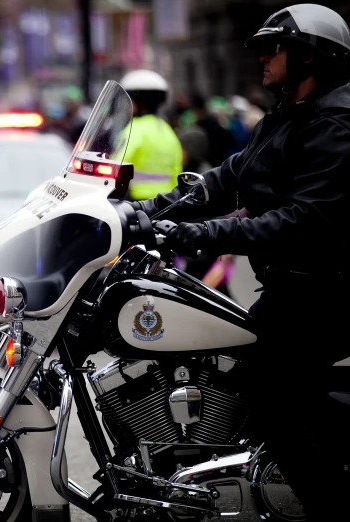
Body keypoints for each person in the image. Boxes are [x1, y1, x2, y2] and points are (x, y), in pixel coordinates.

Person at [130, 4, 350, 518]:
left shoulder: (336, 125)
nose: (262, 58)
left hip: (326, 291)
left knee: (271, 395)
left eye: (273, 48)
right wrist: (135, 214)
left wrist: (192, 235)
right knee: (223, 361)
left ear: (308, 56)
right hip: (293, 287)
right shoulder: (288, 116)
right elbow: (222, 181)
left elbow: (300, 221)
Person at [118, 69, 183, 201]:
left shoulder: (134, 129)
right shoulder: (166, 129)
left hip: (136, 202)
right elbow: (177, 167)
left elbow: (118, 164)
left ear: (136, 102)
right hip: (164, 201)